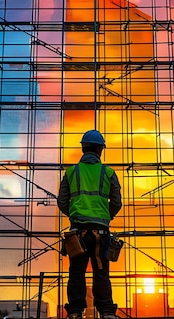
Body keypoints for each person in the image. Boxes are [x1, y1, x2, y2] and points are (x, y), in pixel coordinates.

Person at [57, 130, 122, 319]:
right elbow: (116, 202)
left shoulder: (71, 172)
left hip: (78, 232)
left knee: (76, 272)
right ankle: (107, 312)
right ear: (100, 149)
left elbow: (62, 201)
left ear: (83, 148)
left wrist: (76, 215)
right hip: (101, 232)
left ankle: (76, 312)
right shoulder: (108, 172)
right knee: (101, 271)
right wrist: (104, 217)